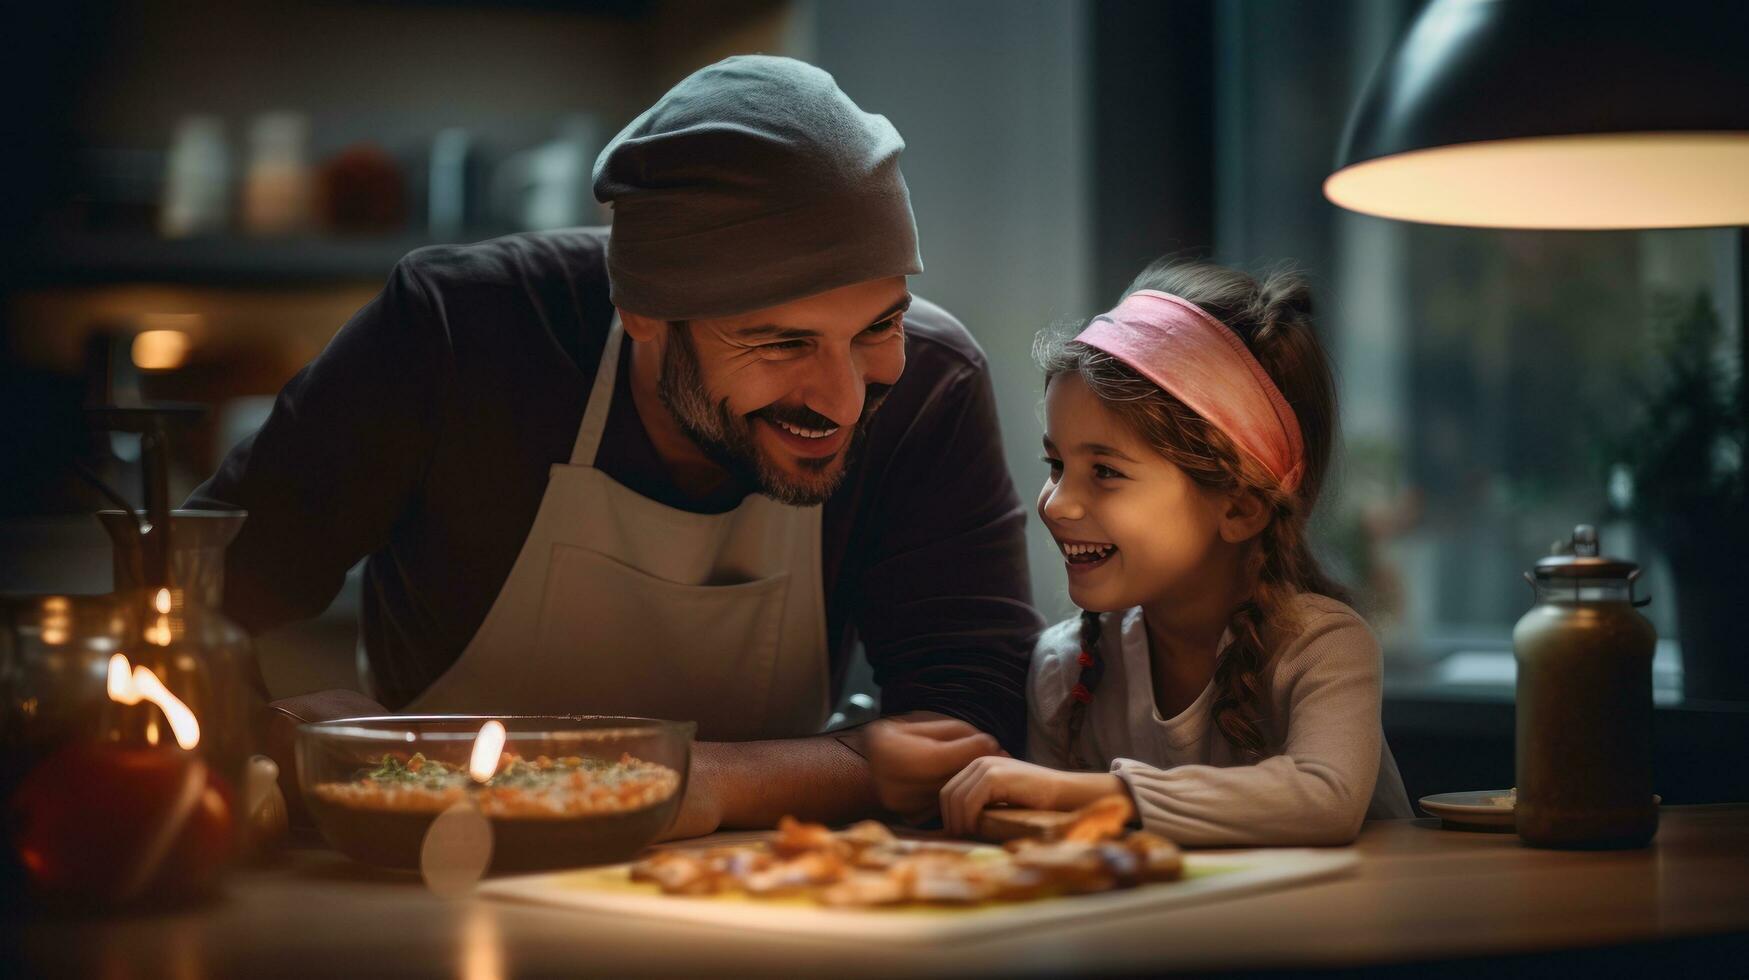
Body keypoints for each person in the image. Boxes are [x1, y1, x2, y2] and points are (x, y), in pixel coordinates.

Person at [193, 56, 1038, 835]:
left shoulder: (931, 385)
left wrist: (698, 783)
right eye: (781, 343)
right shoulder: (457, 333)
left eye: (877, 326)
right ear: (641, 314)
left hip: (760, 892)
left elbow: (970, 727)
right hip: (437, 871)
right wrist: (278, 733)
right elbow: (188, 599)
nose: (845, 400)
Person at [940, 260, 1412, 845]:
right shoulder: (1065, 670)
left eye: (1105, 472)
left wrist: (1094, 794)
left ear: (1239, 507)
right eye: (1056, 465)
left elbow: (1325, 797)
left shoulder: (1322, 648)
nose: (1056, 504)